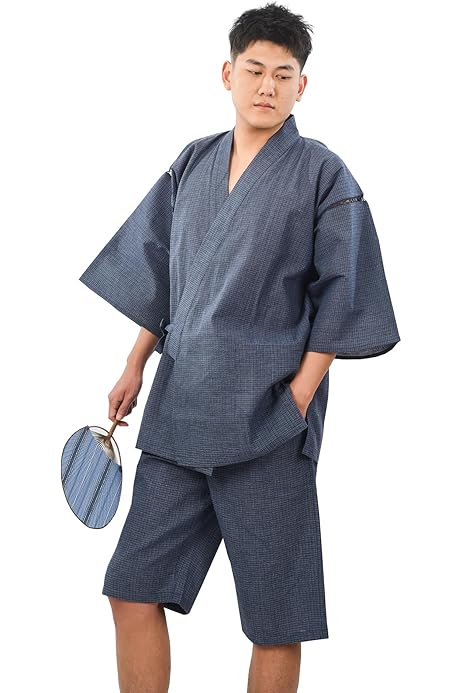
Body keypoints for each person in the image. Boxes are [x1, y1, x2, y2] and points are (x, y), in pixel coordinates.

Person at [79, 3, 400, 691]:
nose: (267, 86)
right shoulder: (193, 161)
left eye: (283, 74)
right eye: (255, 70)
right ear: (228, 74)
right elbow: (163, 272)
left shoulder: (323, 173)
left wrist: (298, 399)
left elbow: (344, 293)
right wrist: (134, 363)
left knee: (274, 619)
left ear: (302, 86)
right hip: (179, 412)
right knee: (130, 591)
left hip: (268, 420)